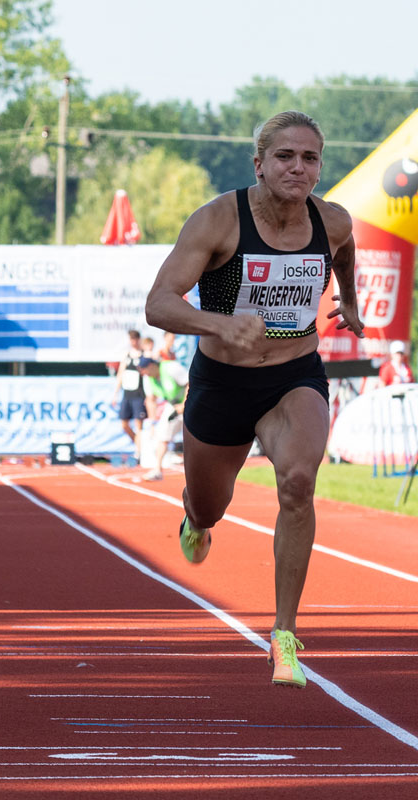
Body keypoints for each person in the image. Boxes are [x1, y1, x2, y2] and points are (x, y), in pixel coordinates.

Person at [144, 110, 363, 689]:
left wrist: (349, 300)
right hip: (223, 383)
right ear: (259, 164)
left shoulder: (332, 220)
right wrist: (219, 324)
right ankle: (196, 518)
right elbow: (158, 304)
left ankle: (284, 635)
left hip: (294, 377)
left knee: (298, 482)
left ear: (320, 167)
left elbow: (344, 252)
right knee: (209, 507)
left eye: (310, 158)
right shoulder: (218, 220)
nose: (298, 168)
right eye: (285, 156)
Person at [136, 356, 189, 481]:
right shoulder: (149, 379)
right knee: (162, 436)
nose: (143, 374)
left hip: (191, 403)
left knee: (197, 438)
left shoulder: (170, 367)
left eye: (143, 370)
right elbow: (151, 400)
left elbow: (190, 383)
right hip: (173, 406)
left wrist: (185, 404)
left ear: (151, 366)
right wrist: (153, 422)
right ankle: (157, 470)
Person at [110, 329, 147, 462]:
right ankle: (139, 444)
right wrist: (115, 394)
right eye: (131, 339)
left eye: (135, 339)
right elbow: (120, 374)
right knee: (124, 424)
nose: (133, 342)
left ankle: (139, 452)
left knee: (139, 424)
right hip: (127, 394)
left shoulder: (144, 355)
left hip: (139, 394)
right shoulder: (126, 355)